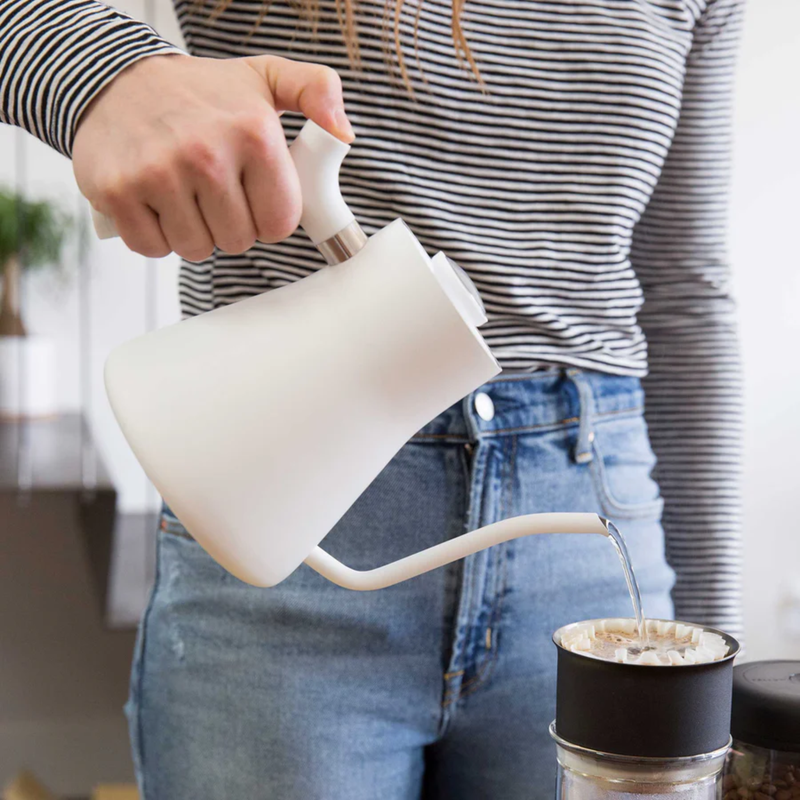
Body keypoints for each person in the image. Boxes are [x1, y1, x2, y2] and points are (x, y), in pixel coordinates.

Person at [1, 0, 745, 797]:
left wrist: (710, 661)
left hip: (592, 540)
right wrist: (102, 73)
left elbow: (682, 291)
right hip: (280, 504)